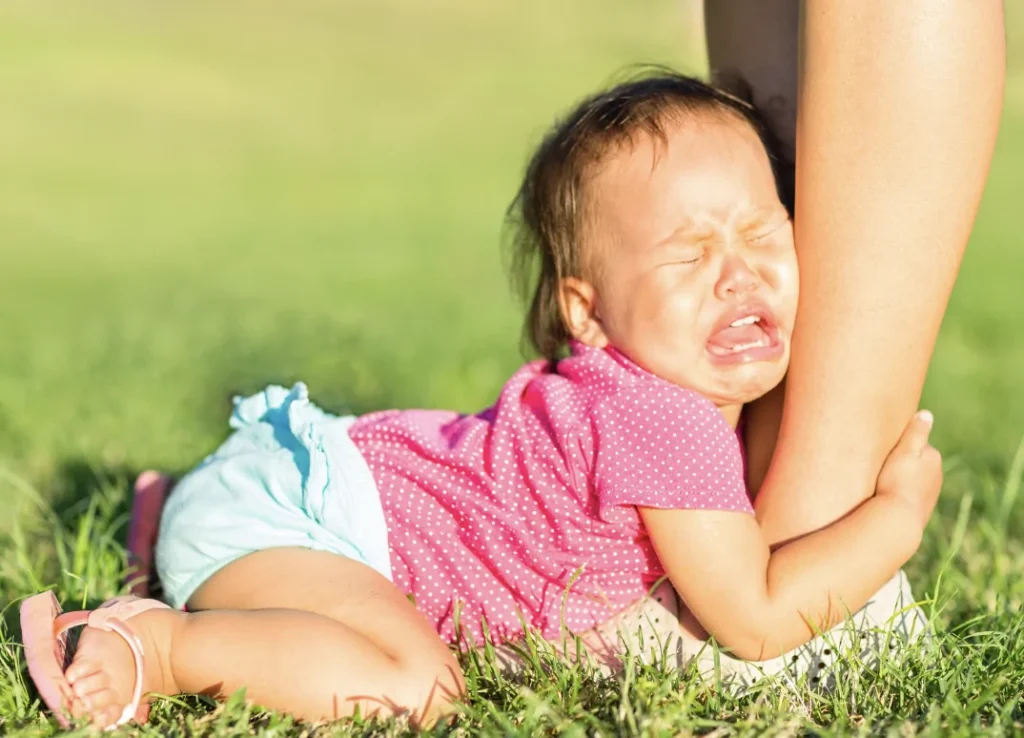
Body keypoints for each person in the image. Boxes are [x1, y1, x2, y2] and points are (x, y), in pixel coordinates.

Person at [20, 72, 942, 730]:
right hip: (305, 523)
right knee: (419, 691)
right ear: (587, 309)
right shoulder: (667, 421)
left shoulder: (642, 392)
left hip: (307, 482)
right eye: (689, 255)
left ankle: (178, 523)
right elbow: (754, 616)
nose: (738, 275)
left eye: (760, 231)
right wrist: (894, 520)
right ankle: (160, 644)